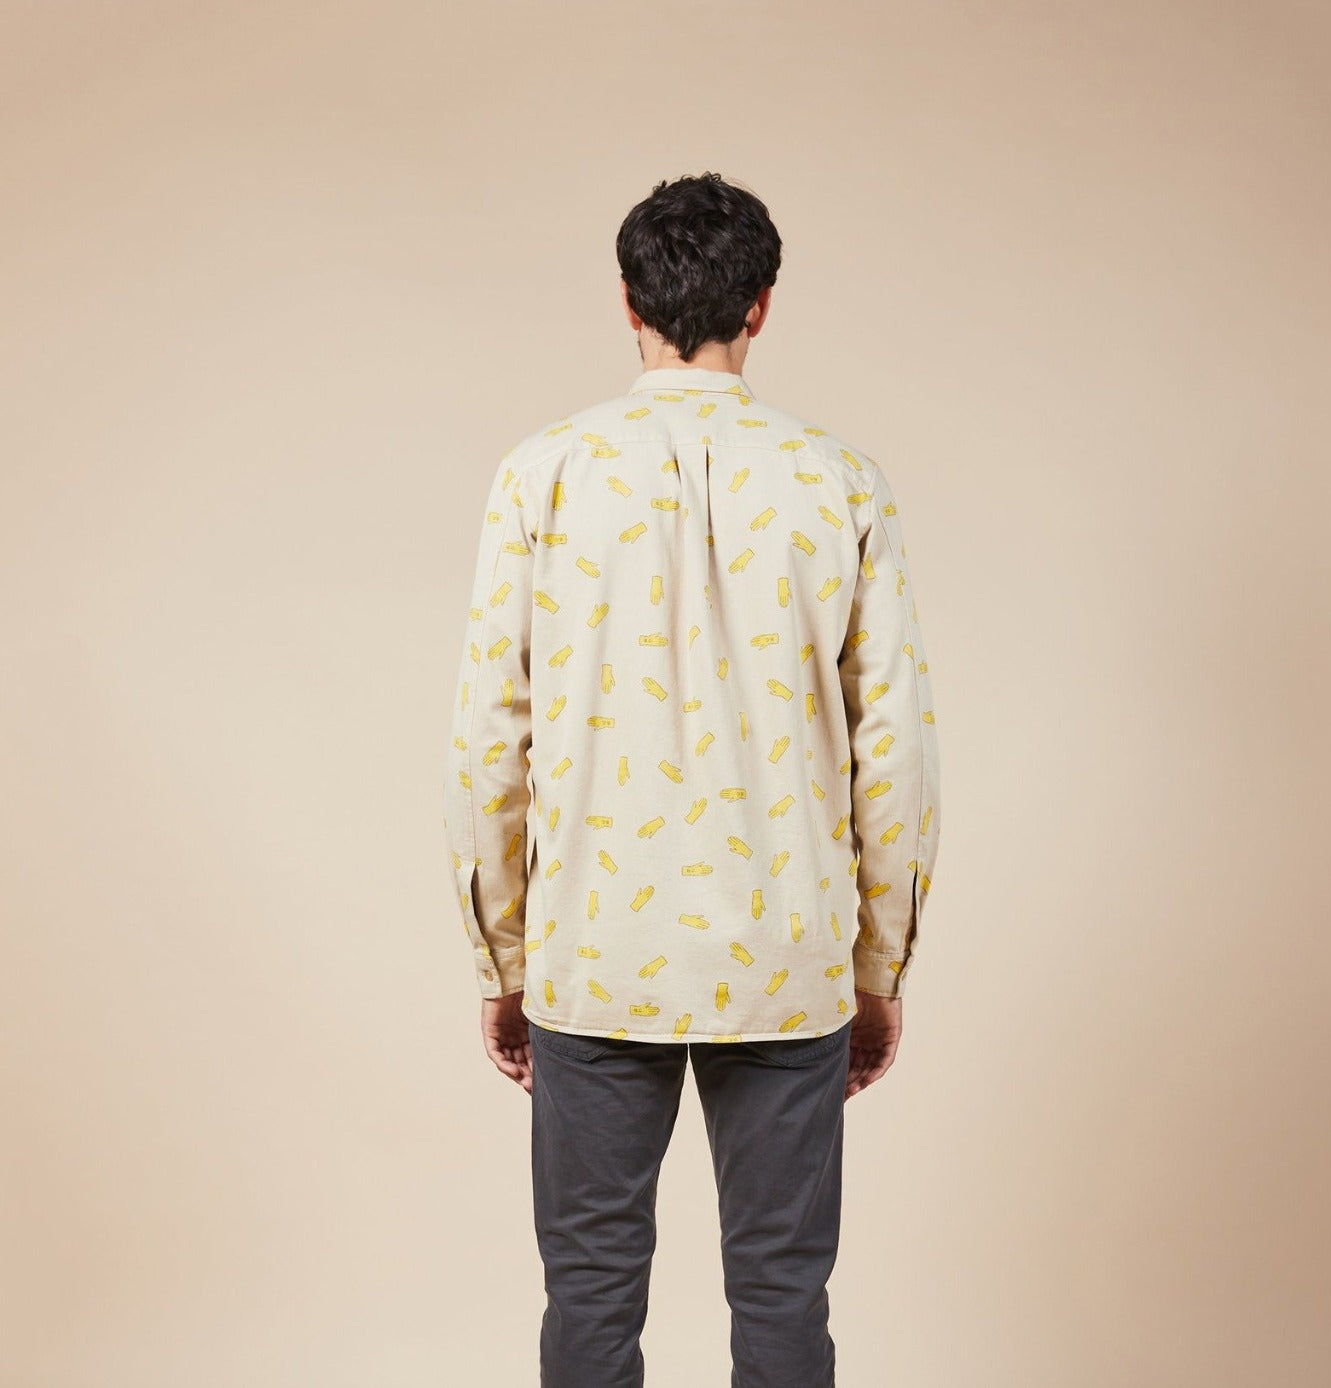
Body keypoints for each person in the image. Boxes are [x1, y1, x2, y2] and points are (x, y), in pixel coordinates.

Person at [441, 171, 943, 1388]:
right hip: (786, 953)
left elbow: (489, 737)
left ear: (628, 301)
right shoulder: (839, 479)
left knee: (589, 1285)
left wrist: (502, 955)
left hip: (591, 948)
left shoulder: (542, 471)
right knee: (782, 1287)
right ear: (759, 306)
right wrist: (877, 966)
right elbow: (894, 749)